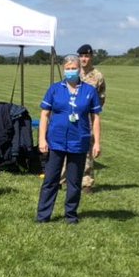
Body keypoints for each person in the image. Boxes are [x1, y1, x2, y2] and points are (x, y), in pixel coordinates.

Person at [36, 54, 103, 224]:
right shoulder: (54, 89)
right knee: (51, 180)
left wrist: (97, 142)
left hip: (78, 141)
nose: (71, 71)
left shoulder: (89, 91)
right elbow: (44, 115)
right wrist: (42, 139)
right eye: (68, 68)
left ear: (79, 69)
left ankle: (71, 215)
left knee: (74, 181)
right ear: (63, 69)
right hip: (56, 141)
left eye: (74, 68)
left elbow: (95, 118)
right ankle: (43, 215)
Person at [71, 44, 106, 193]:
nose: (83, 59)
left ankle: (86, 183)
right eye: (81, 56)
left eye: (86, 56)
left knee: (87, 150)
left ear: (91, 57)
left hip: (88, 118)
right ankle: (64, 178)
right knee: (68, 146)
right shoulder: (73, 72)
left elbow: (101, 98)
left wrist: (92, 112)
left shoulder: (98, 76)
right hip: (72, 116)